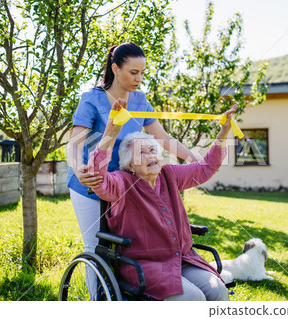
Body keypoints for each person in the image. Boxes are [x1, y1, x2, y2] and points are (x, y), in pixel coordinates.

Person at [66, 42, 201, 297]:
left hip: (126, 185)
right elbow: (74, 144)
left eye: (142, 72)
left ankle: (127, 295)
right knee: (97, 246)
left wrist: (194, 157)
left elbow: (162, 137)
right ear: (115, 68)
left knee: (125, 246)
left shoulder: (140, 100)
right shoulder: (92, 99)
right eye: (133, 72)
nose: (138, 78)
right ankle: (100, 302)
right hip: (91, 182)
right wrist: (79, 167)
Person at [87, 99, 238, 301]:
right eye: (142, 152)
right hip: (145, 265)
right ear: (130, 165)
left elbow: (206, 167)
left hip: (182, 258)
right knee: (193, 299)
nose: (151, 155)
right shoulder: (121, 183)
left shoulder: (169, 174)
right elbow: (98, 178)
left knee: (218, 291)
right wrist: (111, 132)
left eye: (152, 150)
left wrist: (222, 133)